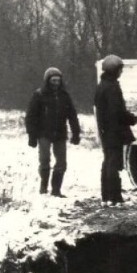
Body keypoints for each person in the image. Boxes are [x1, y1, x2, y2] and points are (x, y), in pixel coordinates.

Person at [25, 67, 81, 197]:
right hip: (43, 133)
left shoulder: (65, 96)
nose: (56, 83)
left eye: (58, 80)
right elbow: (31, 117)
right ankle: (44, 187)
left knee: (61, 162)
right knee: (45, 161)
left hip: (60, 133)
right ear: (47, 81)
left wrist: (76, 133)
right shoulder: (39, 95)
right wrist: (32, 136)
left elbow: (72, 115)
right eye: (53, 80)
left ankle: (56, 190)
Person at [94, 55, 137, 206]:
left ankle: (106, 197)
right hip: (114, 131)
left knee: (107, 162)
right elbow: (117, 111)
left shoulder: (102, 85)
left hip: (106, 130)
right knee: (113, 163)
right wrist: (131, 119)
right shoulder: (112, 87)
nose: (121, 72)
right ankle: (114, 197)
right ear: (114, 70)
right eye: (120, 69)